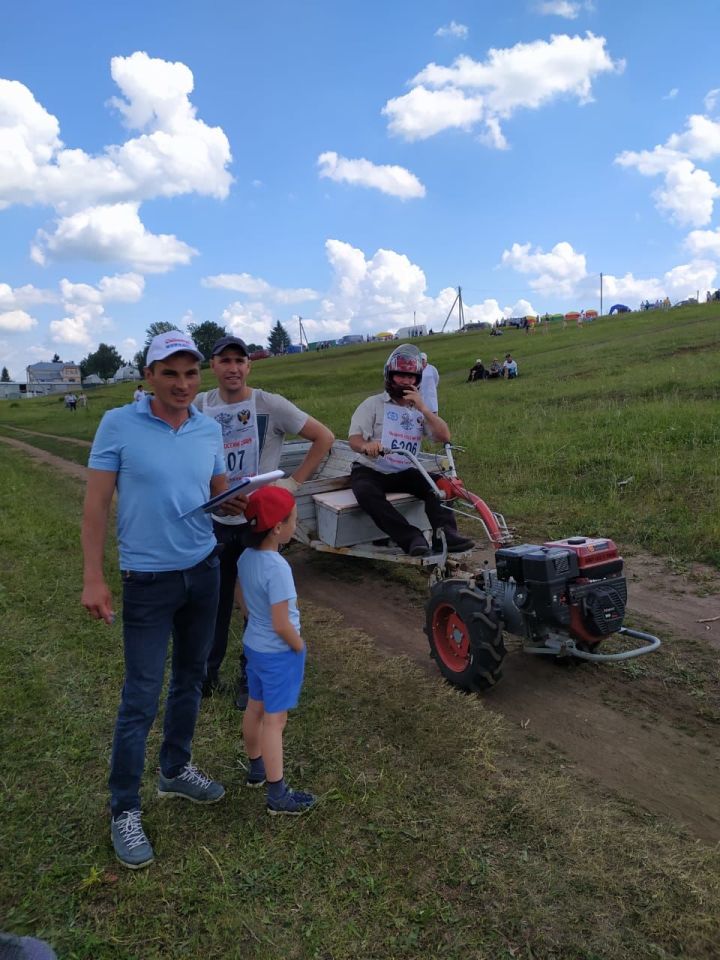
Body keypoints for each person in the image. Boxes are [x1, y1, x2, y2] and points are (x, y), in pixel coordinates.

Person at [81, 330, 246, 870]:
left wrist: (243, 500)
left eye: (190, 373)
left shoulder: (206, 427)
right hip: (148, 581)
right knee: (140, 698)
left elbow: (215, 489)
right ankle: (123, 808)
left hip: (204, 571)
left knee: (192, 678)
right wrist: (93, 578)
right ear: (148, 376)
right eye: (170, 373)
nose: (182, 384)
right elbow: (97, 505)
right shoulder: (118, 425)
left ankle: (175, 770)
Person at [195, 335, 334, 705]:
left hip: (259, 522)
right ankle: (206, 675)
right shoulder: (200, 406)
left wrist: (292, 484)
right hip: (218, 521)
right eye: (224, 361)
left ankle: (249, 675)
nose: (233, 368)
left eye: (240, 361)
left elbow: (323, 437)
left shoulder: (269, 404)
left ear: (249, 366)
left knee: (258, 604)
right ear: (213, 367)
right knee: (216, 602)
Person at [348, 344, 474, 558]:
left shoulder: (418, 410)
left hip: (405, 468)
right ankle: (410, 537)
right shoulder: (373, 404)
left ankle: (445, 535)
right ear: (390, 376)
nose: (406, 381)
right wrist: (366, 447)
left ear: (417, 380)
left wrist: (423, 408)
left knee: (440, 485)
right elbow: (354, 439)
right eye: (400, 376)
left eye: (411, 377)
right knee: (365, 493)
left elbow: (444, 436)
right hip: (372, 469)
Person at [237, 485, 316, 815]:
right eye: (293, 520)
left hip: (254, 646)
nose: (295, 525)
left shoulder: (245, 558)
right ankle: (277, 795)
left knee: (255, 706)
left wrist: (253, 620)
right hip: (278, 653)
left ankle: (256, 768)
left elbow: (240, 598)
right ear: (277, 528)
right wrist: (299, 647)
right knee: (275, 720)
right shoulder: (278, 568)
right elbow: (283, 624)